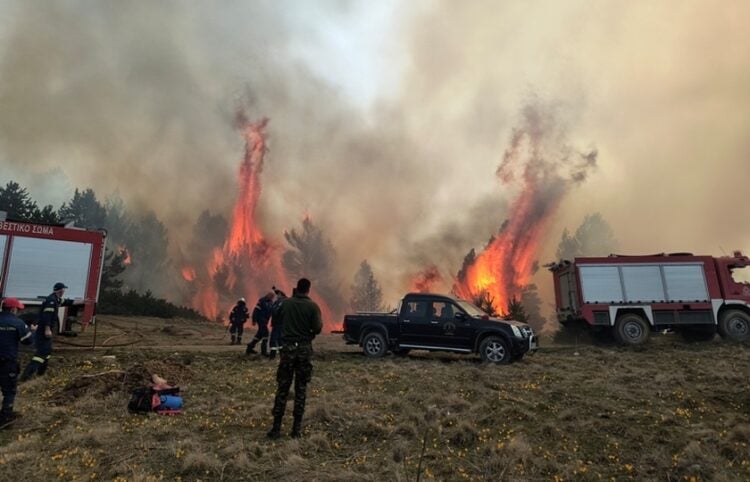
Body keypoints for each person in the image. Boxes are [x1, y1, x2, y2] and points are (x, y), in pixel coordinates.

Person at [267, 278, 322, 439]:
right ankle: (296, 430)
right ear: (308, 290)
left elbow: (276, 319)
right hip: (304, 350)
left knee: (282, 388)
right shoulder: (313, 306)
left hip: (287, 350)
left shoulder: (286, 304)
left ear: (296, 288)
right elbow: (318, 328)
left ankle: (276, 428)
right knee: (301, 389)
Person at [21, 282, 76, 381]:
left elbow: (65, 302)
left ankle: (40, 374)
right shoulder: (51, 301)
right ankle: (26, 376)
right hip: (43, 332)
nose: (64, 291)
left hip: (43, 331)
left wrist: (82, 301)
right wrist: (47, 329)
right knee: (42, 353)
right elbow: (47, 316)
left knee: (47, 352)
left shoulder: (55, 298)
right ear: (61, 290)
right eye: (64, 290)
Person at [0, 298, 33, 425]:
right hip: (7, 363)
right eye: (18, 309)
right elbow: (27, 341)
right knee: (9, 391)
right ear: (13, 309)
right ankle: (5, 418)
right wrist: (32, 331)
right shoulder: (18, 323)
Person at [246, 291, 275, 356]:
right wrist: (254, 320)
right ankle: (264, 352)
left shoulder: (271, 302)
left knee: (259, 335)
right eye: (271, 295)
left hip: (265, 321)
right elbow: (256, 310)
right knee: (266, 334)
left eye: (273, 296)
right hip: (261, 320)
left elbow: (272, 311)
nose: (272, 297)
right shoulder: (262, 301)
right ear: (268, 295)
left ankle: (249, 347)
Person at [268, 287, 290, 360]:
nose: (277, 296)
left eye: (278, 294)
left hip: (278, 323)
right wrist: (275, 289)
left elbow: (275, 311)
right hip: (279, 323)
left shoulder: (281, 302)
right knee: (280, 340)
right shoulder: (284, 301)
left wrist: (271, 310)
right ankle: (282, 355)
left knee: (273, 339)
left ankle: (272, 356)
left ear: (281, 295)